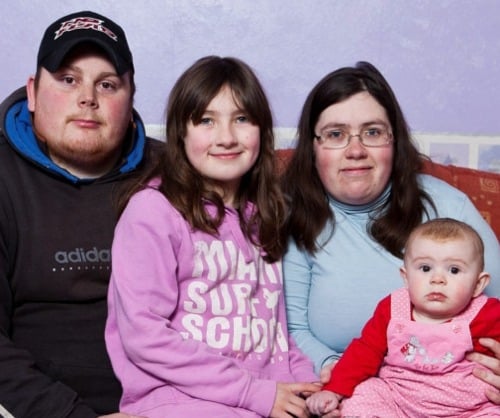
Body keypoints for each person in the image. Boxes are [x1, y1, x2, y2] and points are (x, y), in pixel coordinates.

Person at [104, 56, 320, 418]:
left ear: (262, 131)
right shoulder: (152, 212)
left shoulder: (266, 214)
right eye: (206, 120)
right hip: (181, 401)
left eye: (242, 119)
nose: (226, 137)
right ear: (181, 133)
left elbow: (275, 332)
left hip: (264, 395)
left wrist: (308, 383)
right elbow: (145, 336)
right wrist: (252, 392)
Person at [280, 61, 500, 402]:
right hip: (355, 389)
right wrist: (336, 371)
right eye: (336, 134)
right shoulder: (293, 216)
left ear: (394, 141)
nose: (356, 150)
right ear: (313, 147)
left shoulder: (448, 205)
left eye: (372, 132)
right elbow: (293, 329)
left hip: (453, 389)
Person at [0, 10, 161, 418]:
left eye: (107, 84)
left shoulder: (175, 172)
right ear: (33, 93)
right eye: (68, 79)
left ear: (130, 99)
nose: (88, 97)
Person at [306, 218, 500, 417]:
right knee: (362, 394)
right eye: (425, 268)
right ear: (406, 277)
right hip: (398, 400)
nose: (437, 279)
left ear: (478, 284)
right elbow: (365, 350)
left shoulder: (488, 313)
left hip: (468, 408)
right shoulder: (392, 308)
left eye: (454, 270)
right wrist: (334, 389)